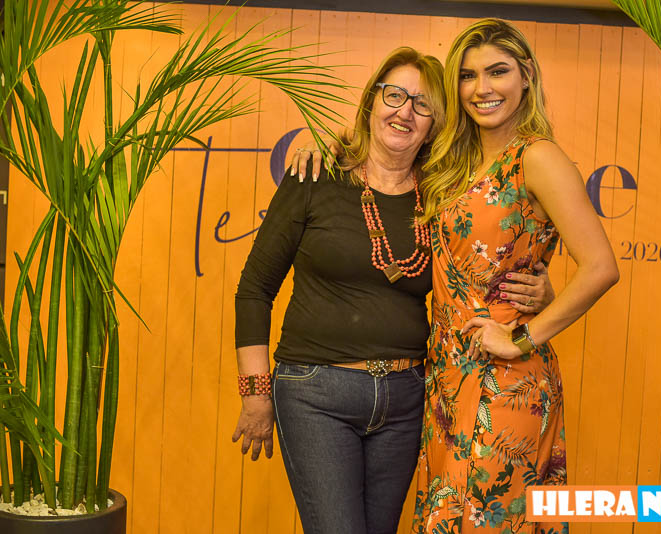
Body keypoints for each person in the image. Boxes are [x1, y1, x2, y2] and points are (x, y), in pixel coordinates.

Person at [232, 47, 554, 534]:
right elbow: (254, 290)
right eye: (394, 95)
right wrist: (256, 395)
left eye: (423, 104)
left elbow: (492, 258)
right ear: (371, 102)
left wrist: (542, 291)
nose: (405, 111)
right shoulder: (316, 175)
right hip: (316, 394)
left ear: (435, 124)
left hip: (407, 401)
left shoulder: (443, 195)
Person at [409, 19, 619, 534]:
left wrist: (521, 337)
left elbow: (601, 267)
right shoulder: (453, 161)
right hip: (447, 379)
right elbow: (379, 147)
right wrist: (325, 149)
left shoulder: (537, 157)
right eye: (468, 76)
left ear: (526, 75)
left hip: (506, 383)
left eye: (497, 71)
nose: (482, 88)